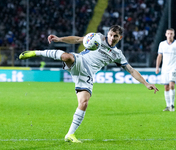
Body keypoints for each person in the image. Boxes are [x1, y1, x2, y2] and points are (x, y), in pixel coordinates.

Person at [19, 25, 159, 143]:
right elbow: (79, 39)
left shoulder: (117, 54)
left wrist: (146, 83)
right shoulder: (98, 38)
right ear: (107, 34)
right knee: (67, 56)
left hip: (87, 75)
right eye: (110, 34)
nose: (112, 38)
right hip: (80, 60)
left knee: (84, 103)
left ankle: (70, 135)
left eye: (115, 36)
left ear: (119, 38)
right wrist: (59, 39)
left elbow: (131, 70)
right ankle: (35, 52)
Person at [155, 28, 176, 112]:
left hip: (173, 67)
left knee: (171, 85)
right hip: (165, 68)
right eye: (168, 33)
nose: (170, 35)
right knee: (166, 87)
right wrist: (157, 67)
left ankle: (172, 105)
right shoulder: (162, 44)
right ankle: (168, 106)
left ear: (174, 35)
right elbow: (159, 56)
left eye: (171, 34)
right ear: (166, 34)